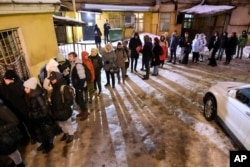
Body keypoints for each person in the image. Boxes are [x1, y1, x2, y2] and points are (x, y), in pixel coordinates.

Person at [23, 77, 57, 154]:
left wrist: (37, 116)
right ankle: (44, 144)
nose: (25, 89)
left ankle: (49, 145)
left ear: (31, 88)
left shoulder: (37, 97)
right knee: (40, 134)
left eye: (26, 88)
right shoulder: (30, 96)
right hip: (36, 120)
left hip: (41, 120)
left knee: (46, 134)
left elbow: (45, 110)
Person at [0, 70, 32, 145]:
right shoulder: (3, 87)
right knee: (20, 125)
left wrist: (10, 85)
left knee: (28, 122)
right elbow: (4, 95)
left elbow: (20, 93)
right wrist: (6, 85)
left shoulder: (19, 82)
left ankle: (33, 136)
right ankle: (26, 138)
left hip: (23, 107)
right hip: (13, 110)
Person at [48, 71, 75, 143]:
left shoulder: (63, 88)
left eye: (53, 79)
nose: (52, 81)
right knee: (62, 124)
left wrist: (63, 107)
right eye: (51, 79)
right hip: (57, 112)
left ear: (58, 78)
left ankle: (71, 134)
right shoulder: (53, 89)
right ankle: (66, 133)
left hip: (64, 111)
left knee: (67, 124)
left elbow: (69, 100)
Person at [0, 102, 25, 167]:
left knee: (12, 151)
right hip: (3, 138)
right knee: (10, 153)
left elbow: (15, 121)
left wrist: (1, 129)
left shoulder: (1, 109)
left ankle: (20, 164)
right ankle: (17, 162)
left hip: (7, 138)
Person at [68, 51, 88, 121]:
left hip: (80, 86)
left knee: (80, 99)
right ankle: (83, 111)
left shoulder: (78, 65)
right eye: (69, 56)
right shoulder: (73, 64)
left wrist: (80, 88)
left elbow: (82, 78)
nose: (69, 58)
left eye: (70, 56)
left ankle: (85, 112)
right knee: (78, 99)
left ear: (75, 57)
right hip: (77, 86)